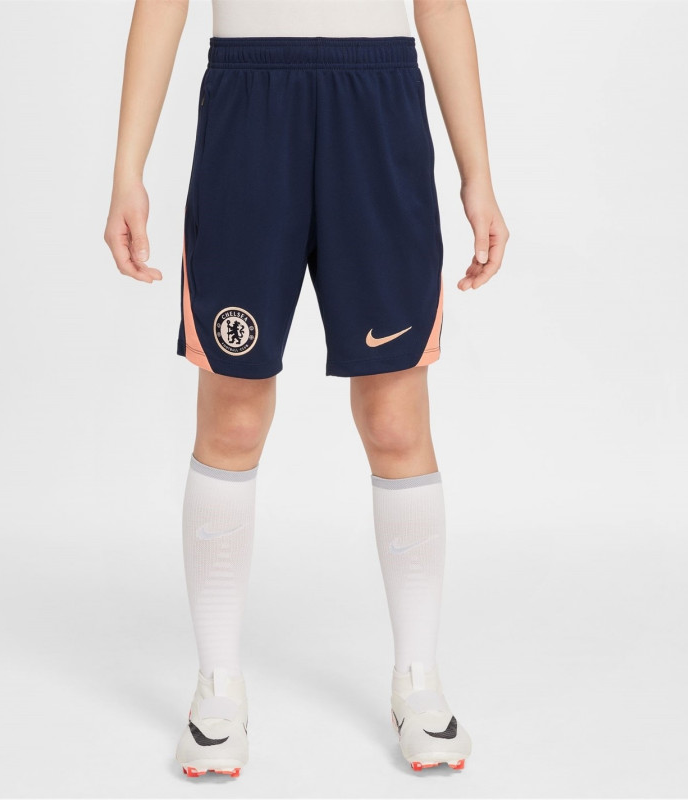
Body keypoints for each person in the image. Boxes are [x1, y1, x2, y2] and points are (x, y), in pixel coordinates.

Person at [104, 0, 509, 778]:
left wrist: (478, 175)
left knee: (395, 419)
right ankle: (218, 687)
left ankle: (418, 680)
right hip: (250, 105)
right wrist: (128, 169)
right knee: (233, 414)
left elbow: (439, 4)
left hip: (377, 104)